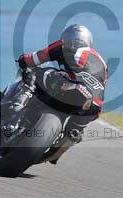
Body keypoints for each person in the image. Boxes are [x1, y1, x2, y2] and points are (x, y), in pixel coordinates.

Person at [8, 24, 108, 164]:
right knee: (74, 130)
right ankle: (61, 147)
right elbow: (102, 85)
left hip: (72, 87)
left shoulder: (64, 45)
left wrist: (23, 59)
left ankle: (18, 103)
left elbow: (35, 58)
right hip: (94, 104)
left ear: (67, 37)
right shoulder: (102, 62)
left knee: (36, 72)